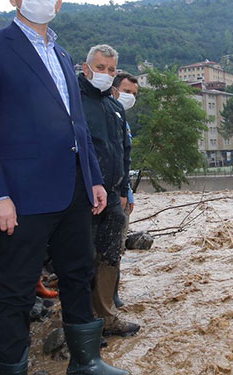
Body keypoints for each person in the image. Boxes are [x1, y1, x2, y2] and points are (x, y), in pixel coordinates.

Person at [0, 0, 127, 375]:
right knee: (14, 288)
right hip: (20, 194)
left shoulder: (62, 54)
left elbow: (78, 126)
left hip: (73, 190)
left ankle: (86, 361)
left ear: (59, 0)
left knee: (77, 273)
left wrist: (93, 180)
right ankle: (11, 369)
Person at [79, 46, 139, 337]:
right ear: (86, 67)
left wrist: (125, 188)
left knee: (110, 255)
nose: (105, 74)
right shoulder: (73, 100)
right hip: (82, 196)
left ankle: (106, 316)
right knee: (80, 258)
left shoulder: (114, 108)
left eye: (111, 69)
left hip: (113, 197)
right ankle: (81, 323)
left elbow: (123, 152)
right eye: (100, 67)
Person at [110, 72, 139, 309]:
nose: (130, 97)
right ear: (114, 89)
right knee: (108, 248)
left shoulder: (123, 120)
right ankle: (108, 298)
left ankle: (112, 294)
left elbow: (125, 158)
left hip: (121, 192)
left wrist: (127, 192)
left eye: (134, 94)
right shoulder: (105, 115)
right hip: (109, 194)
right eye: (127, 91)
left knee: (117, 247)